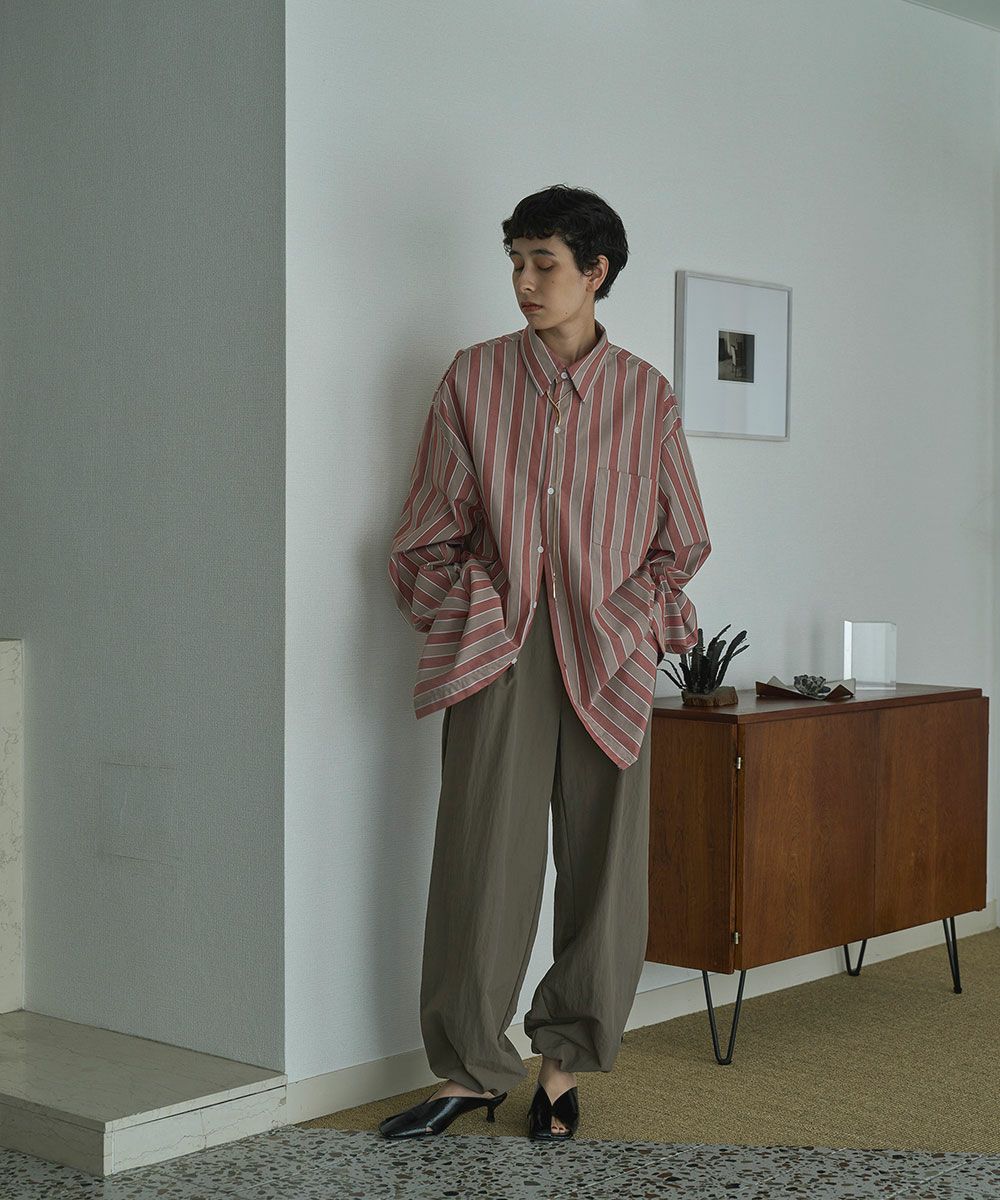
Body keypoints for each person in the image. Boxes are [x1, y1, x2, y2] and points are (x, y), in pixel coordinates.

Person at [383, 184, 712, 1141]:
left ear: (595, 272)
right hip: (505, 649)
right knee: (481, 860)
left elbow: (682, 539)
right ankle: (470, 1069)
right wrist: (479, 610)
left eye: (545, 264)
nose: (525, 282)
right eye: (516, 263)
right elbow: (424, 534)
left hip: (612, 648)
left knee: (605, 870)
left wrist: (635, 617)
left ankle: (561, 1070)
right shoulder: (473, 380)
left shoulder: (646, 394)